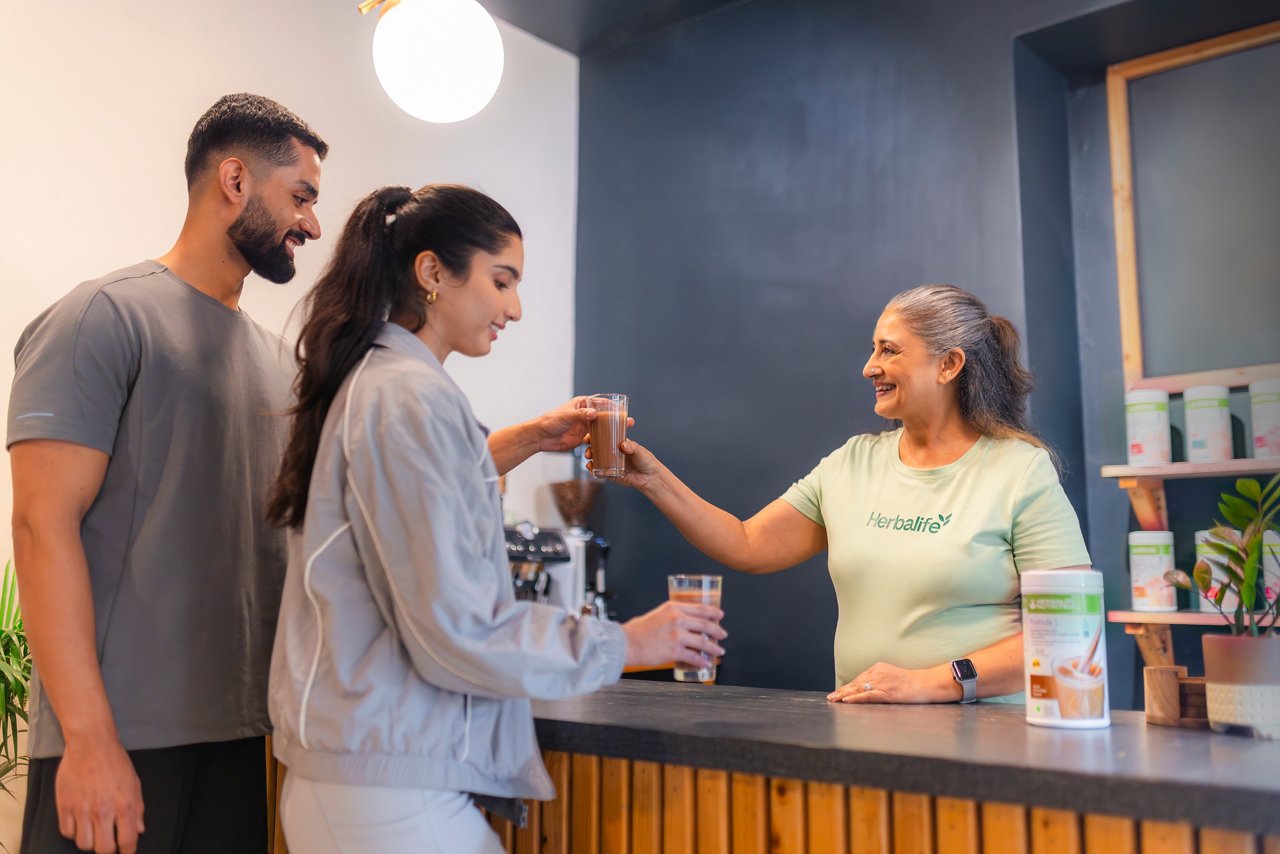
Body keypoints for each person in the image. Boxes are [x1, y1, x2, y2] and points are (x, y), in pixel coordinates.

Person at [265, 183, 726, 854]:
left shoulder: (384, 382)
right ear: (431, 273)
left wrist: (533, 437)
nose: (514, 307)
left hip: (369, 783)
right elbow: (457, 620)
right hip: (387, 797)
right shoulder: (410, 397)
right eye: (501, 280)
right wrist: (626, 643)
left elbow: (419, 505)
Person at [7, 93, 328, 854]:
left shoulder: (284, 367)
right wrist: (87, 743)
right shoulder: (102, 318)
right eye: (302, 197)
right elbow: (38, 525)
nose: (313, 225)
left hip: (241, 736)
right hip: (117, 745)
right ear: (235, 181)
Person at [603, 285, 1091, 705]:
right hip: (866, 724)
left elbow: (1067, 633)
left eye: (889, 350)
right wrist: (652, 479)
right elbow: (747, 544)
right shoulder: (853, 462)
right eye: (873, 350)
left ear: (949, 365)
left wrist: (933, 683)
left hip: (991, 738)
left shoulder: (1019, 470)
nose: (868, 367)